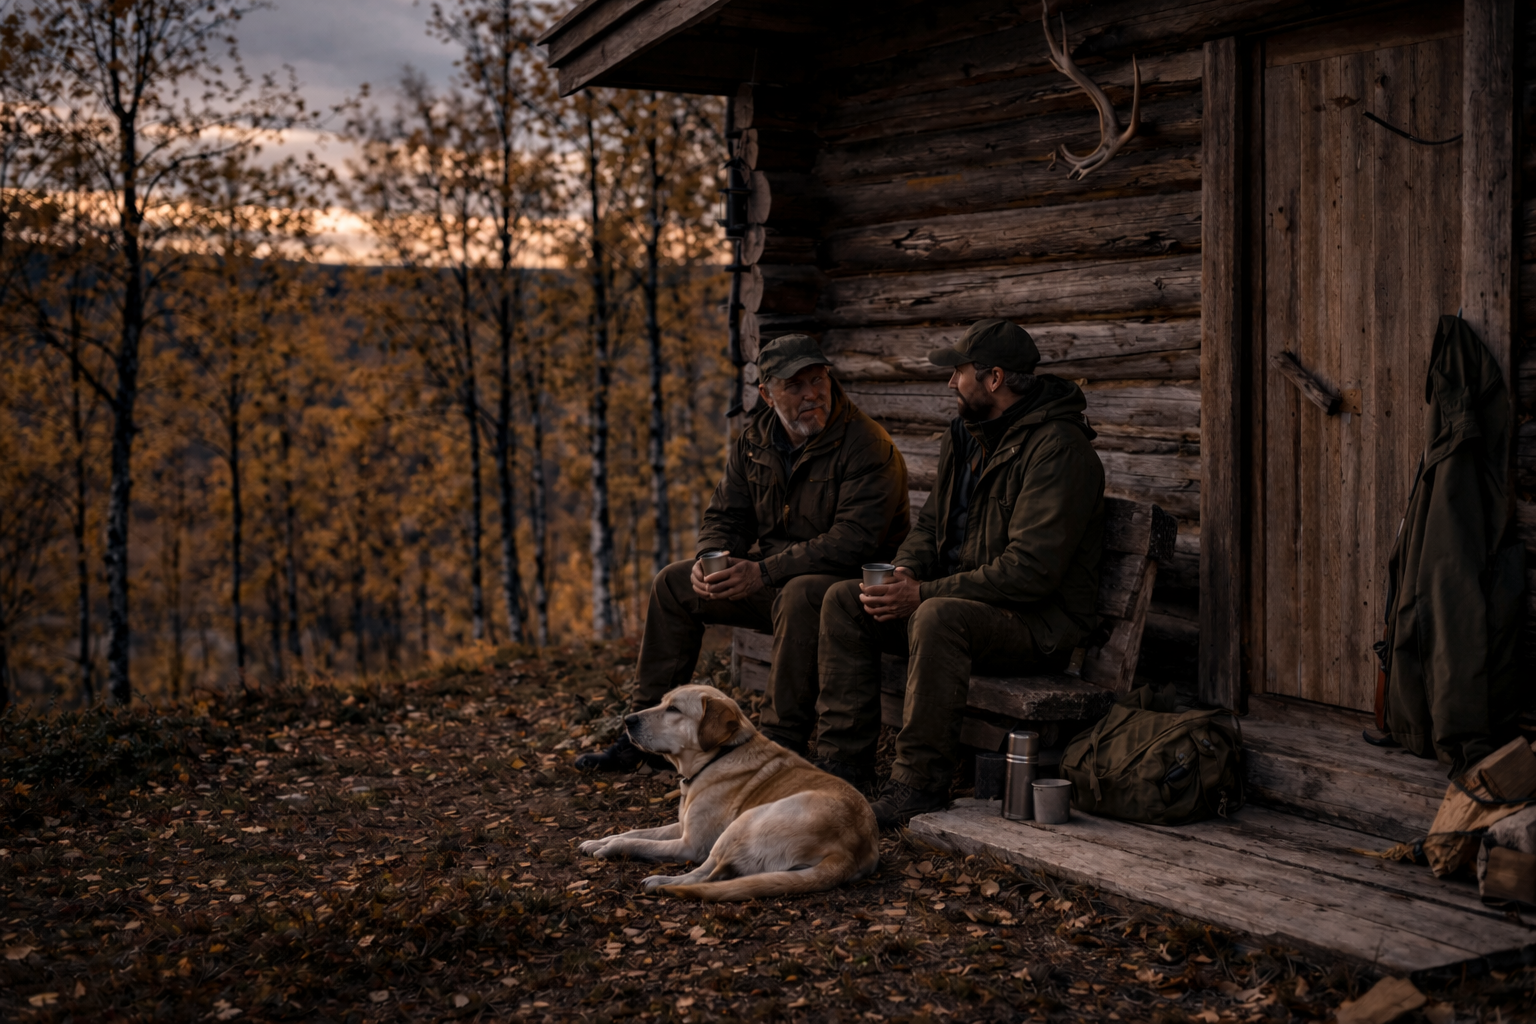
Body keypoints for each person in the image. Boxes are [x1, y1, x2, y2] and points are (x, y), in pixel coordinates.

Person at [815, 319, 1106, 826]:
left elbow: (1030, 572)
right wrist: (905, 570)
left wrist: (922, 593)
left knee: (938, 616)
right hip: (967, 606)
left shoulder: (1059, 449)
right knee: (846, 599)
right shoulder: (966, 435)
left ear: (994, 378)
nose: (951, 381)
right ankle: (843, 766)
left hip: (1036, 625)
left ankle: (918, 784)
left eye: (959, 372)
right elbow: (932, 524)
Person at [576, 333, 910, 774]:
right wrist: (709, 558)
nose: (811, 393)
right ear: (767, 394)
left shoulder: (866, 444)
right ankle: (645, 739)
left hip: (847, 592)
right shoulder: (756, 441)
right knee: (674, 583)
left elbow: (854, 541)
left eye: (818, 379)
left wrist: (763, 571)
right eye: (795, 385)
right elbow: (726, 515)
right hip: (776, 580)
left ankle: (775, 744)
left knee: (801, 594)